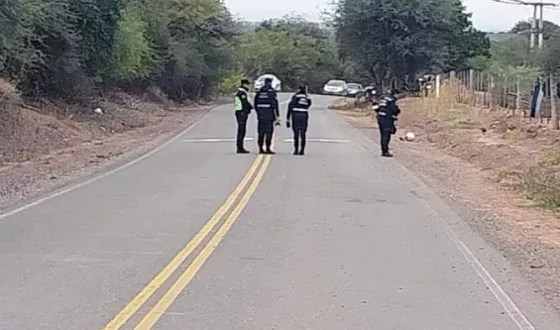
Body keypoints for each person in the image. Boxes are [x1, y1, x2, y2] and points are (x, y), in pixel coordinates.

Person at [254, 77, 280, 154]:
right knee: (269, 132)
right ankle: (268, 148)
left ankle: (260, 148)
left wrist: (258, 113)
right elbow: (275, 105)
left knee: (261, 132)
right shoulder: (271, 92)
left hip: (260, 116)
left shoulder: (259, 92)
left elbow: (255, 104)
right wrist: (277, 116)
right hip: (269, 115)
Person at [375, 88, 401, 157]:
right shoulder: (392, 100)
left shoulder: (382, 98)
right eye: (398, 95)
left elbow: (376, 107)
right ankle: (385, 151)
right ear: (395, 94)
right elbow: (394, 109)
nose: (398, 97)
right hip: (387, 118)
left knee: (382, 134)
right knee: (386, 135)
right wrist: (397, 111)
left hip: (380, 117)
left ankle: (383, 150)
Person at [286, 85, 311, 155]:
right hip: (304, 116)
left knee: (296, 134)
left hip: (296, 116)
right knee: (303, 134)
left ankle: (296, 150)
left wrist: (287, 118)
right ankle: (302, 150)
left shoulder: (295, 97)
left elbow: (290, 107)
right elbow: (309, 105)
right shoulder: (307, 98)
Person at [234, 79, 253, 153]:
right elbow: (245, 103)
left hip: (241, 113)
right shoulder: (241, 93)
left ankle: (240, 147)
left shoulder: (243, 92)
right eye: (248, 84)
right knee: (241, 131)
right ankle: (240, 147)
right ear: (244, 84)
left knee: (242, 130)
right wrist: (251, 107)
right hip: (241, 113)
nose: (249, 86)